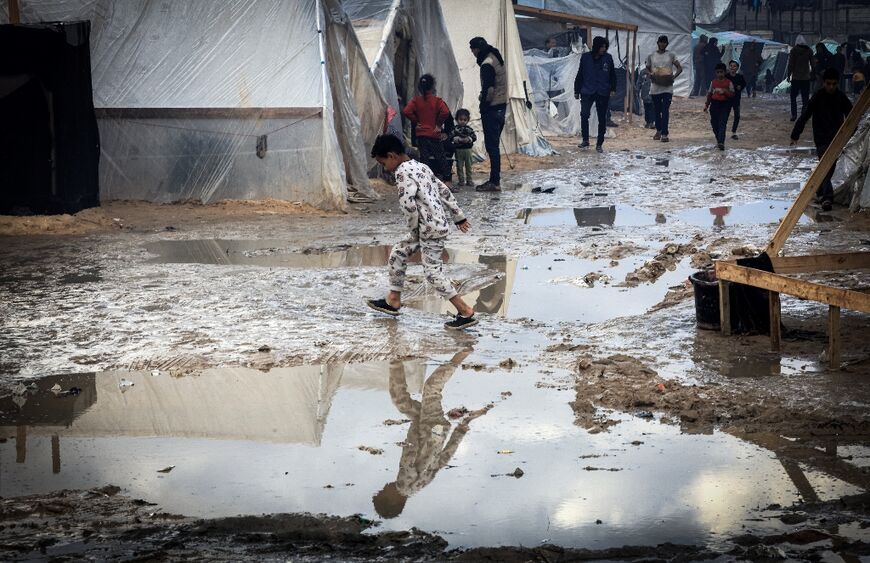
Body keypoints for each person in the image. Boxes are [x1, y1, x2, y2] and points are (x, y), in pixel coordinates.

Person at [365, 134, 478, 330]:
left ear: (391, 156)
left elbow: (408, 205)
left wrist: (413, 229)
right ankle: (393, 299)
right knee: (399, 252)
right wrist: (458, 215)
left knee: (432, 272)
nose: (385, 168)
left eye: (383, 163)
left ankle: (465, 311)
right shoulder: (421, 166)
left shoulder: (402, 173)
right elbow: (443, 190)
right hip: (433, 225)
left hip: (427, 229)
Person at [372, 353, 489, 519]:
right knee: (431, 389)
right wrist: (422, 427)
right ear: (391, 500)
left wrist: (459, 432)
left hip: (434, 431)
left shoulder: (419, 486)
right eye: (383, 492)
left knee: (401, 402)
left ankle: (396, 360)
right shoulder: (403, 484)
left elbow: (442, 461)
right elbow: (412, 452)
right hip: (428, 428)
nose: (384, 487)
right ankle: (460, 356)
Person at [790, 68, 853, 211]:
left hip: (837, 137)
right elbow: (805, 115)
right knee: (826, 165)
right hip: (821, 138)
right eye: (828, 84)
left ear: (837, 84)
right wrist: (795, 134)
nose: (831, 87)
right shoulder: (818, 96)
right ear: (824, 83)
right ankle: (827, 197)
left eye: (834, 84)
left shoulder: (841, 97)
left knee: (829, 167)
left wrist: (853, 136)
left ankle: (819, 189)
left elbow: (852, 116)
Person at [469, 36, 507, 192]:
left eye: (472, 49)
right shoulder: (495, 57)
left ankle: (494, 181)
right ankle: (494, 179)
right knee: (494, 146)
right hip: (502, 106)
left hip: (492, 109)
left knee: (492, 147)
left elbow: (490, 90)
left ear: (477, 49)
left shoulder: (486, 64)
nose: (472, 53)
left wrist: (483, 105)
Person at [402, 74, 451, 185]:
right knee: (440, 156)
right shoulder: (437, 101)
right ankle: (447, 181)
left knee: (424, 158)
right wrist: (438, 125)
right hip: (434, 134)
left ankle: (425, 182)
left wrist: (416, 121)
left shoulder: (416, 101)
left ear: (420, 87)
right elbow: (445, 112)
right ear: (433, 87)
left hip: (421, 134)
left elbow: (406, 111)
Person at [573, 35, 616, 153]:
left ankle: (599, 143)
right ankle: (585, 140)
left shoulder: (608, 58)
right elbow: (580, 74)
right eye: (602, 47)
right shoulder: (586, 57)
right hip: (587, 90)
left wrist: (613, 88)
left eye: (605, 47)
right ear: (596, 46)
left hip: (602, 91)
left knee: (602, 118)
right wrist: (576, 90)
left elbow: (612, 74)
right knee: (584, 114)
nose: (604, 49)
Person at [646, 35, 683, 143]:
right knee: (657, 111)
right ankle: (658, 130)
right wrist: (650, 74)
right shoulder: (651, 56)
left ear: (667, 44)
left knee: (665, 110)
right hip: (655, 87)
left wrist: (674, 77)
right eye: (661, 42)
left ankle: (664, 133)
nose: (662, 44)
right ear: (657, 43)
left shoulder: (671, 55)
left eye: (664, 42)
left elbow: (679, 68)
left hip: (667, 87)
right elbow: (647, 68)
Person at [704, 62, 735, 151]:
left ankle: (721, 142)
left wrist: (725, 91)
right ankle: (719, 140)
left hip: (725, 105)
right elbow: (709, 94)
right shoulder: (713, 82)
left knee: (722, 123)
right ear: (715, 73)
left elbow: (733, 94)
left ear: (725, 72)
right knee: (714, 123)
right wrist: (706, 105)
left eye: (721, 72)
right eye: (718, 72)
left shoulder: (729, 82)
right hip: (714, 105)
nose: (719, 74)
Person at [787, 42, 815, 121]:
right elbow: (813, 64)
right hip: (806, 78)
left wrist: (788, 75)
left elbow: (791, 64)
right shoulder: (809, 51)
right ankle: (804, 113)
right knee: (805, 98)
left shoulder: (793, 51)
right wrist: (813, 73)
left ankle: (794, 115)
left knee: (793, 97)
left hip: (796, 77)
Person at [450, 108, 477, 187]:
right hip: (458, 150)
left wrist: (469, 139)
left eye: (465, 120)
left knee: (469, 166)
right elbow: (450, 137)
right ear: (457, 119)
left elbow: (474, 137)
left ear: (468, 120)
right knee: (459, 166)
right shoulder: (455, 129)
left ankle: (469, 180)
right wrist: (456, 139)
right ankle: (461, 180)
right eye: (460, 119)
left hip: (468, 150)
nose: (462, 121)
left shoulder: (469, 129)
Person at [726, 60, 747, 140]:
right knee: (725, 116)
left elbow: (744, 84)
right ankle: (722, 131)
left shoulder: (740, 77)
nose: (732, 67)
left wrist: (740, 87)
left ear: (737, 68)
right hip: (727, 99)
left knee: (737, 116)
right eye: (731, 66)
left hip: (736, 99)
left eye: (734, 66)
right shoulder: (726, 76)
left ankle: (733, 132)